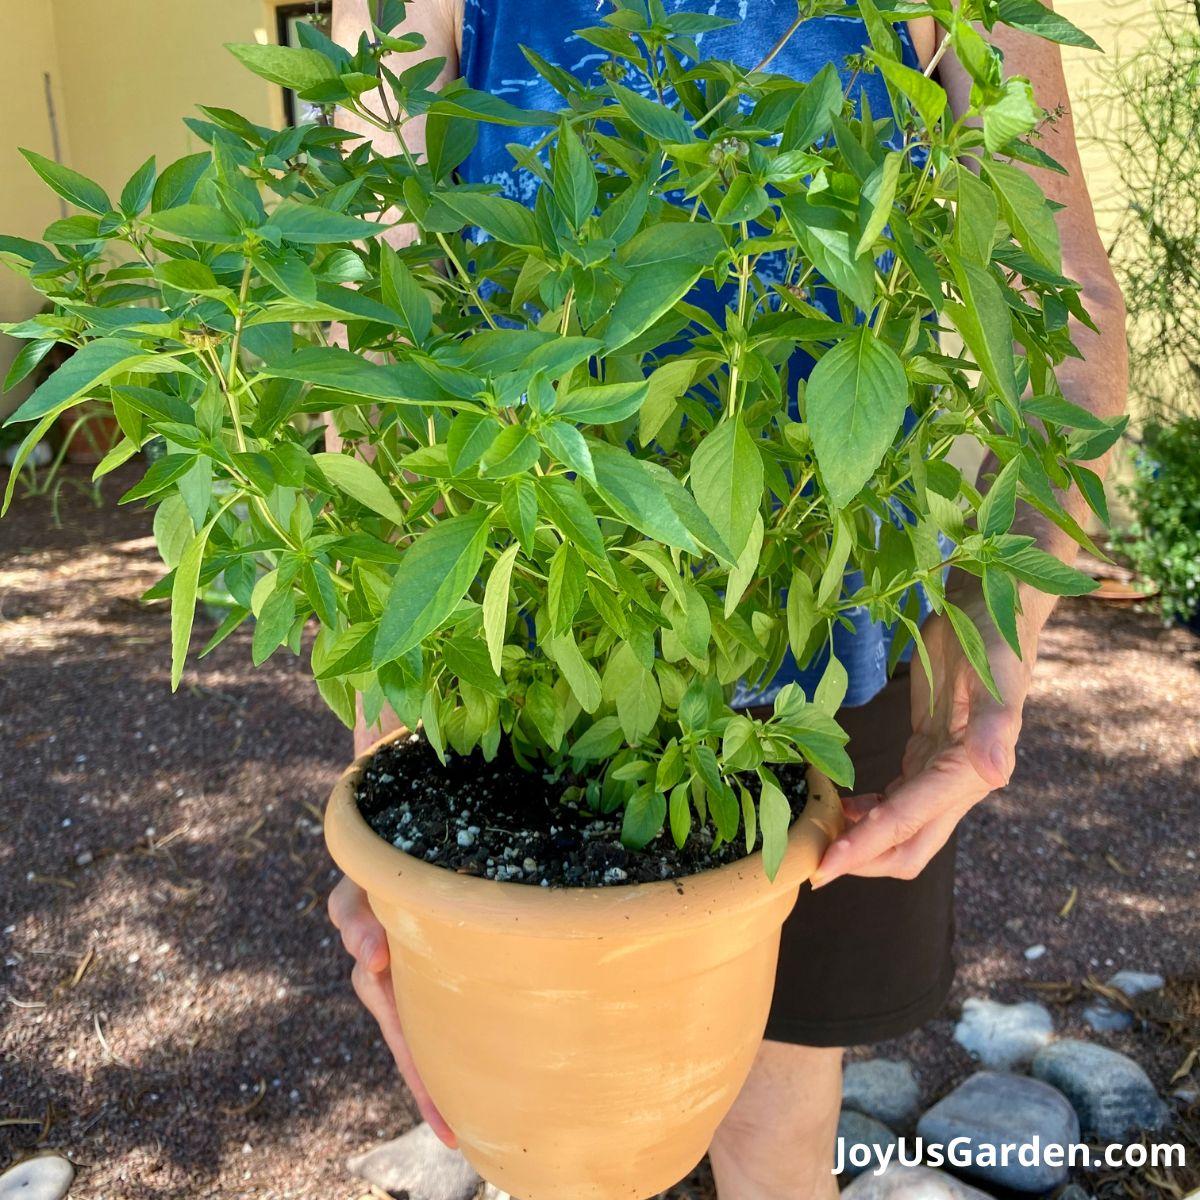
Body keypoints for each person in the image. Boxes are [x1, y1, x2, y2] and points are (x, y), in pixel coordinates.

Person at [326, 2, 1128, 1196]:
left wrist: (985, 691)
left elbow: (1069, 332)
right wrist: (392, 743)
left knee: (715, 1130)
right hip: (538, 638)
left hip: (813, 641)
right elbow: (368, 319)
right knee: (582, 1140)